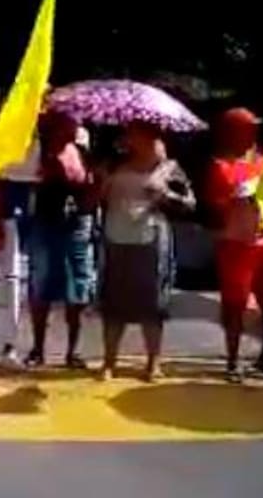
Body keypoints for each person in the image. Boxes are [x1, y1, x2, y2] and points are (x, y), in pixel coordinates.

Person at [98, 122, 194, 381]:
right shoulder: (114, 164)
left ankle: (153, 362)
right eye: (129, 134)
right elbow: (96, 198)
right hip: (116, 236)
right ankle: (109, 362)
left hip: (150, 240)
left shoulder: (170, 169)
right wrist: (100, 185)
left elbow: (190, 204)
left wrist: (165, 196)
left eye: (136, 134)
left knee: (151, 303)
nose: (130, 139)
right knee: (114, 301)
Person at [204, 107, 263, 384]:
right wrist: (236, 197)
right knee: (235, 304)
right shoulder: (220, 166)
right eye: (249, 128)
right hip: (237, 244)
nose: (254, 133)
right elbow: (215, 209)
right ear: (234, 133)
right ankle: (233, 360)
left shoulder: (261, 160)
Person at [26, 112, 96, 369]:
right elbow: (30, 182)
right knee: (41, 282)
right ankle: (37, 348)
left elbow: (91, 187)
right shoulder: (38, 148)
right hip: (46, 220)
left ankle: (73, 351)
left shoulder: (82, 147)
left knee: (78, 285)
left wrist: (88, 183)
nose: (71, 126)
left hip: (76, 221)